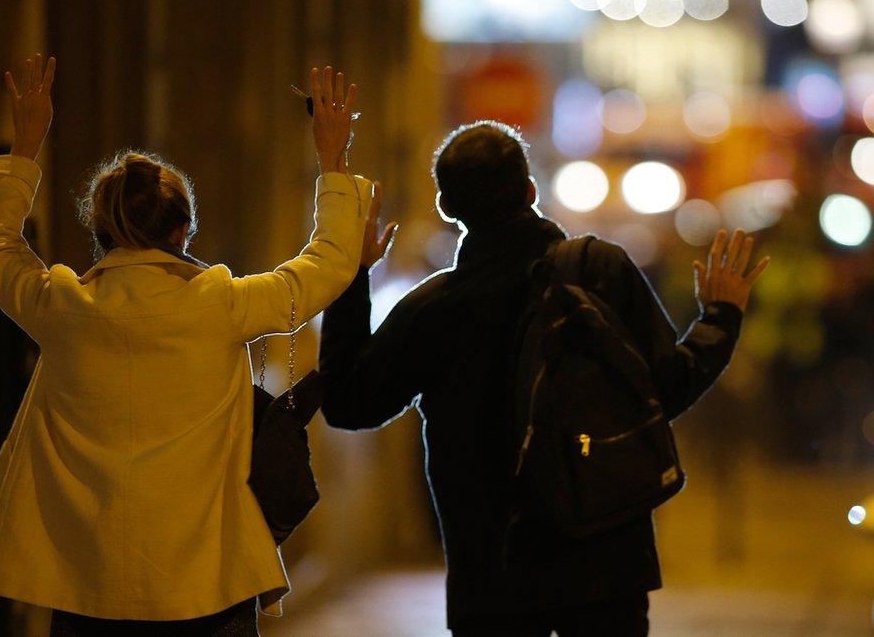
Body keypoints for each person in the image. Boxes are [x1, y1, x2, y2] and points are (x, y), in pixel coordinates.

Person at [0, 54, 372, 635]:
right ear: (182, 232)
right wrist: (332, 156)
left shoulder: (61, 307)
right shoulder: (221, 305)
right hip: (208, 585)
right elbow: (328, 263)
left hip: (86, 585)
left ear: (100, 232)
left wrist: (24, 147)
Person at [318, 120, 769, 636]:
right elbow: (667, 388)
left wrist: (353, 280)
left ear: (447, 207)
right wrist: (720, 317)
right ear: (531, 191)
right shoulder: (599, 271)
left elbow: (348, 402)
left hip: (493, 579)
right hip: (607, 563)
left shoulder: (434, 310)